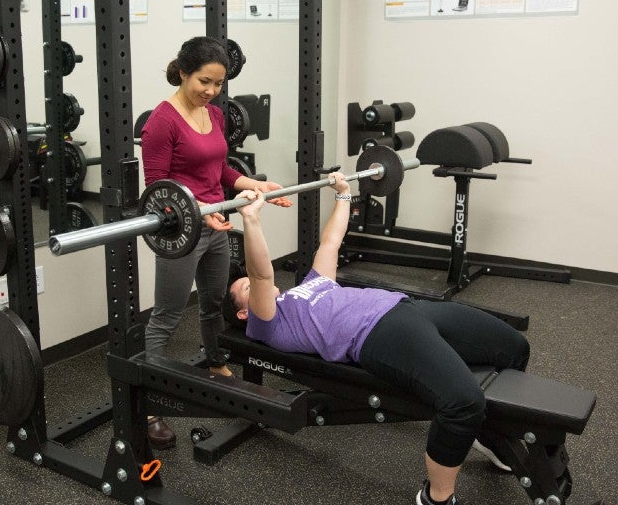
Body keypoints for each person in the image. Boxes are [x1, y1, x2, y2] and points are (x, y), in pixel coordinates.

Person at [226, 174, 531, 505]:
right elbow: (260, 273)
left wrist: (344, 194)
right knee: (464, 402)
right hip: (378, 333)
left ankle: (491, 435)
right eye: (244, 289)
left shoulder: (307, 286)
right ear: (245, 314)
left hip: (407, 307)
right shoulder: (267, 322)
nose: (251, 285)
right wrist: (252, 220)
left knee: (514, 347)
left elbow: (330, 243)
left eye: (245, 283)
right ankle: (436, 497)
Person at [140, 36, 291, 449]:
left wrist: (255, 185)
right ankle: (148, 404)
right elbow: (158, 190)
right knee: (168, 316)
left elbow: (220, 168)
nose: (210, 91)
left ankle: (216, 360)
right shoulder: (162, 122)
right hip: (181, 230)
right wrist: (204, 209)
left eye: (218, 84)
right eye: (204, 81)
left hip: (217, 224)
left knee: (211, 303)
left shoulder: (214, 115)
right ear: (184, 71)